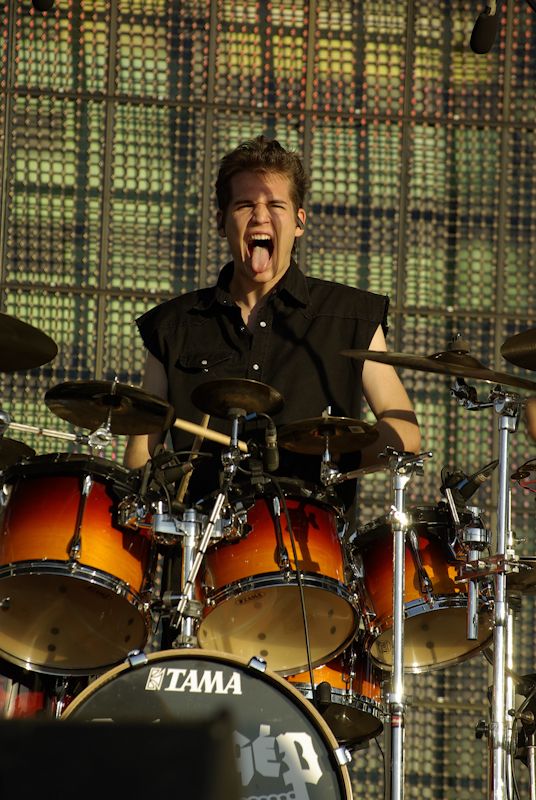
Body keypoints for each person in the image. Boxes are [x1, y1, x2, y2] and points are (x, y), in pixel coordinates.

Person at [124, 135, 421, 511]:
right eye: (245, 205)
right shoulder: (171, 326)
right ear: (221, 222)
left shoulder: (349, 316)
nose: (260, 216)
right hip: (199, 533)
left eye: (275, 205)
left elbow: (406, 433)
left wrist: (333, 453)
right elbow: (139, 456)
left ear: (299, 222)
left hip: (310, 533)